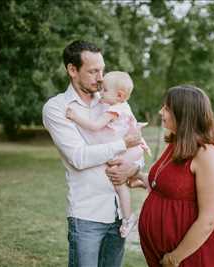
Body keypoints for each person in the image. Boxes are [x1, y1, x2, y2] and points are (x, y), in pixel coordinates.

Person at [42, 40, 142, 267]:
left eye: (103, 70)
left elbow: (137, 145)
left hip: (118, 213)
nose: (100, 78)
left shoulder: (113, 100)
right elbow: (79, 158)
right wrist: (122, 143)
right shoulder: (57, 108)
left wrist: (134, 168)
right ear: (72, 70)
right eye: (93, 71)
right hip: (87, 215)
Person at [132, 85, 214, 267]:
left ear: (184, 114)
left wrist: (174, 257)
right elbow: (168, 185)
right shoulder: (176, 143)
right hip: (163, 252)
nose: (161, 112)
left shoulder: (207, 154)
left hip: (190, 254)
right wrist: (138, 177)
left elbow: (210, 219)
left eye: (167, 108)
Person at [65, 70, 151, 238]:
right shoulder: (124, 106)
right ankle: (141, 181)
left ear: (119, 95)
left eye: (104, 90)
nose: (99, 92)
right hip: (134, 149)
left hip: (128, 150)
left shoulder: (114, 110)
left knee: (118, 181)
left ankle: (128, 217)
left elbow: (94, 126)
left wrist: (74, 117)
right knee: (122, 179)